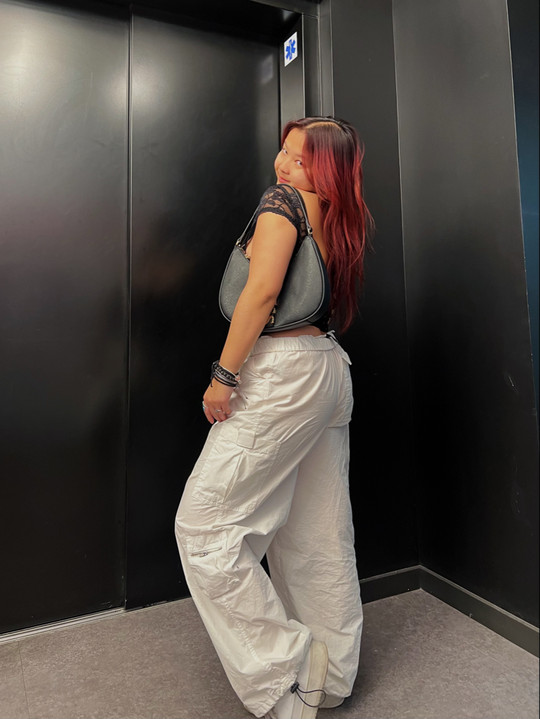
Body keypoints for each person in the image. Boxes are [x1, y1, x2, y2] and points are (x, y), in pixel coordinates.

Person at [175, 116, 373, 719]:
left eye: (301, 159)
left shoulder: (281, 203)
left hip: (282, 373)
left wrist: (224, 375)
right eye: (284, 153)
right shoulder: (340, 217)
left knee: (204, 528)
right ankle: (331, 678)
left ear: (327, 170)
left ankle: (288, 670)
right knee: (319, 531)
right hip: (328, 368)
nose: (284, 166)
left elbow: (262, 293)